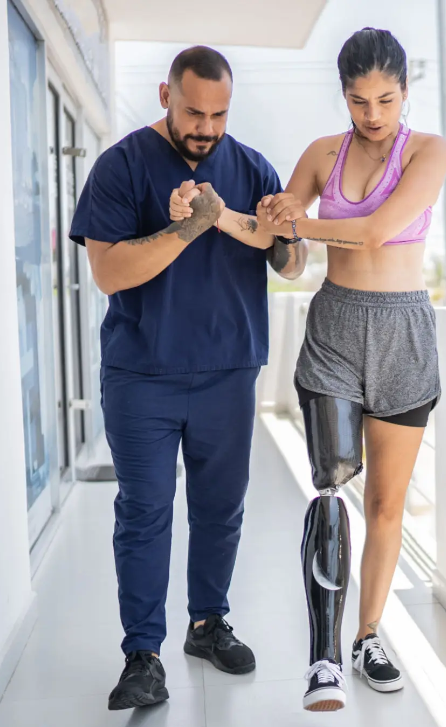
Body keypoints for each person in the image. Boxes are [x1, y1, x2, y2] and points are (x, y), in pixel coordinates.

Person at [69, 45, 307, 711]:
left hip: (230, 368)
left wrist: (287, 235)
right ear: (164, 94)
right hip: (142, 372)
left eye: (218, 113)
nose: (205, 126)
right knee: (144, 511)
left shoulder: (253, 164)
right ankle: (143, 653)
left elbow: (289, 265)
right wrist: (184, 230)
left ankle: (208, 623)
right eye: (193, 111)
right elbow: (109, 272)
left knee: (220, 509)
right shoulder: (121, 166)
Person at [257, 27, 446, 712]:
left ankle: (370, 634)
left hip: (403, 331)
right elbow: (283, 247)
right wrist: (237, 221)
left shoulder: (428, 151)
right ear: (343, 93)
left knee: (385, 505)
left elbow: (372, 230)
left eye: (386, 99)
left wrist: (296, 223)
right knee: (330, 489)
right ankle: (323, 655)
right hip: (336, 328)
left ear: (404, 91)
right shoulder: (321, 154)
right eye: (359, 100)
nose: (373, 114)